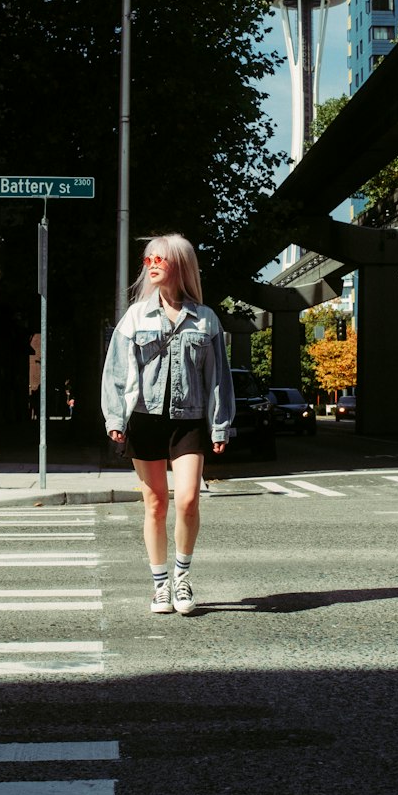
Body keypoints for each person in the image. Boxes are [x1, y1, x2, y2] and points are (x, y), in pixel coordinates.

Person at [101, 233, 234, 616]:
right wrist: (115, 417)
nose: (152, 265)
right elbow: (116, 373)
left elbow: (218, 379)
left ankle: (182, 577)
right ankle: (160, 585)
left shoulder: (205, 319)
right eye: (148, 260)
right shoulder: (135, 317)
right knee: (156, 503)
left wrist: (220, 425)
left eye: (161, 258)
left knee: (189, 498)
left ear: (180, 265)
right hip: (143, 418)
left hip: (189, 421)